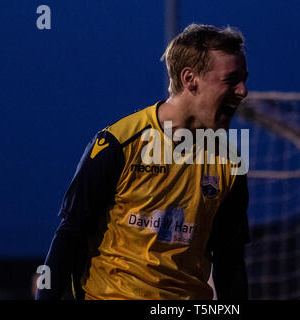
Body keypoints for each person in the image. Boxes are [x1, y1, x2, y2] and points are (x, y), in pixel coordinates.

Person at [36, 23, 250, 300]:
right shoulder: (118, 143)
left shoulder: (229, 162)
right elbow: (70, 235)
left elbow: (229, 258)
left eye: (244, 79)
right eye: (232, 80)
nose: (243, 91)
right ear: (190, 79)